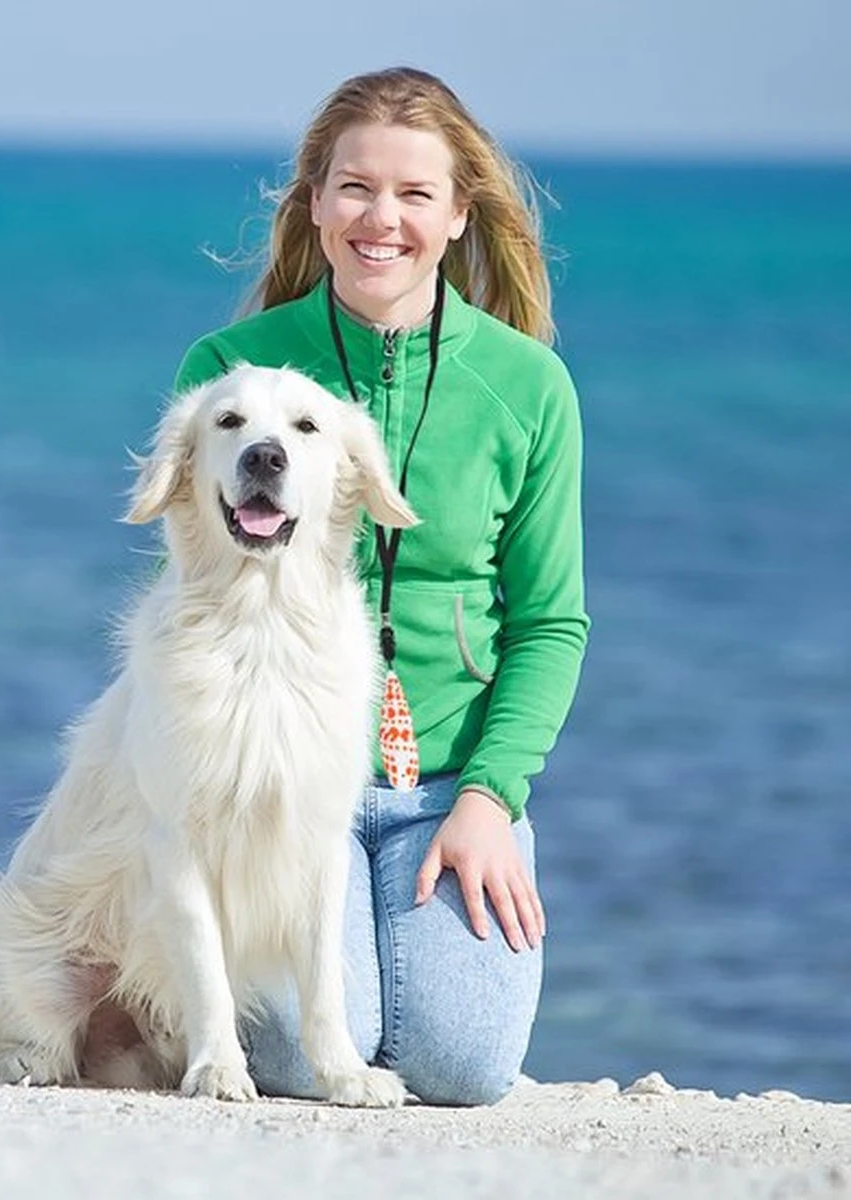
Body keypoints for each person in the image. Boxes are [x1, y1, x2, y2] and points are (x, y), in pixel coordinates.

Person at [171, 66, 589, 1106]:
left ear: (458, 215)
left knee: (465, 1067)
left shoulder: (529, 386)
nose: (380, 220)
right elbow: (196, 601)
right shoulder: (233, 372)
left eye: (413, 195)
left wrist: (492, 796)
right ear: (312, 204)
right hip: (272, 785)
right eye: (354, 188)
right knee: (291, 1061)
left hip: (444, 787)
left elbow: (550, 622)